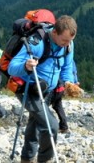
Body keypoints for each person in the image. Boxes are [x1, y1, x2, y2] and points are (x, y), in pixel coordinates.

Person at [8, 15, 77, 163]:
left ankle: (26, 158)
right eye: (64, 40)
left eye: (70, 40)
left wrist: (69, 82)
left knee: (35, 125)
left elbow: (67, 66)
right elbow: (12, 68)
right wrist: (25, 66)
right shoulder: (37, 43)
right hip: (28, 89)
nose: (67, 44)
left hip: (46, 91)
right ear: (54, 33)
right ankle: (44, 159)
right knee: (51, 126)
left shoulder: (69, 45)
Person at [51, 61, 79, 134]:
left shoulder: (57, 57)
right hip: (62, 85)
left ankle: (46, 125)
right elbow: (73, 71)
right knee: (57, 105)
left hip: (54, 84)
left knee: (43, 105)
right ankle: (64, 127)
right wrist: (75, 81)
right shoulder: (70, 60)